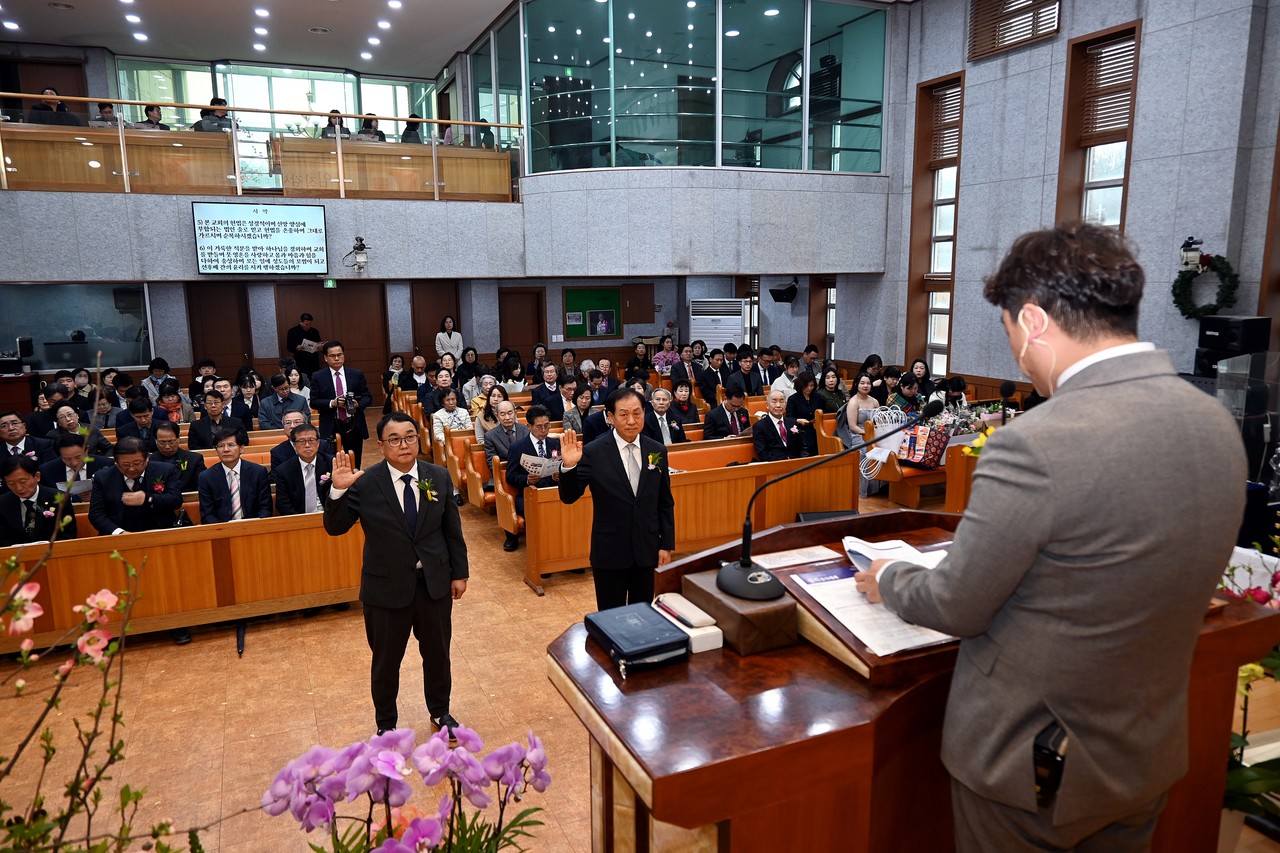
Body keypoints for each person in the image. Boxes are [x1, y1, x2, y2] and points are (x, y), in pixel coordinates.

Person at [852, 224, 1248, 853]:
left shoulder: (1036, 443)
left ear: (1034, 321)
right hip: (1140, 754)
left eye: (1009, 331)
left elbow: (956, 604)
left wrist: (891, 577)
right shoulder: (1215, 424)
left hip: (1035, 766)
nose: (1016, 355)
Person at [324, 412, 469, 739]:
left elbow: (452, 530)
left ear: (418, 439)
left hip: (433, 585)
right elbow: (335, 527)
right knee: (386, 662)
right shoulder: (365, 482)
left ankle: (440, 711)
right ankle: (386, 723)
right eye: (394, 439)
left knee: (438, 655)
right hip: (385, 589)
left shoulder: (438, 476)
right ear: (381, 445)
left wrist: (459, 573)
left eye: (409, 437)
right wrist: (338, 491)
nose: (403, 445)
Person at [558, 388, 674, 610]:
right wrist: (569, 466)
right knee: (610, 618)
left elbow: (664, 501)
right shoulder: (593, 452)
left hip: (647, 550)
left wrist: (666, 544)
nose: (631, 421)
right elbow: (569, 496)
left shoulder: (657, 450)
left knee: (643, 615)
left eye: (637, 413)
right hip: (609, 552)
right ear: (610, 417)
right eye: (623, 414)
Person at [311, 340, 373, 468]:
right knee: (331, 461)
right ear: (325, 358)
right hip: (331, 424)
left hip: (353, 423)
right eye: (333, 356)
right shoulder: (318, 376)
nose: (337, 358)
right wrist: (332, 403)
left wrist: (357, 404)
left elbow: (367, 397)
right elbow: (314, 402)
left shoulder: (356, 374)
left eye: (339, 355)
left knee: (354, 461)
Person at [0, 454, 77, 547]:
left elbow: (68, 535)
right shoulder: (2, 503)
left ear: (37, 476)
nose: (18, 488)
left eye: (23, 482)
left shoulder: (59, 498)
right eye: (11, 483)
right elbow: (2, 539)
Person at [505, 405, 560, 533]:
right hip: (528, 494)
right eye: (539, 426)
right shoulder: (517, 447)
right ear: (529, 426)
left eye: (547, 425)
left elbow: (559, 464)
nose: (544, 430)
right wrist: (527, 479)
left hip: (553, 491)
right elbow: (510, 476)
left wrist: (559, 475)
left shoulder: (555, 444)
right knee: (537, 515)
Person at [198, 429, 272, 523]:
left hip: (254, 526)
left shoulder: (258, 472)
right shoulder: (206, 477)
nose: (226, 449)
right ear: (216, 450)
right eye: (221, 446)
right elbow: (207, 514)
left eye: (231, 445)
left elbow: (265, 508)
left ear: (241, 448)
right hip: (222, 528)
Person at [272, 423, 332, 516]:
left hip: (330, 516)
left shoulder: (332, 463)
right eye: (301, 441)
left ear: (318, 443)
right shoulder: (284, 471)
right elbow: (283, 504)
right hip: (298, 517)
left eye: (311, 440)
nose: (307, 445)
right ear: (294, 445)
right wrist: (300, 521)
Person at [152, 421, 205, 492]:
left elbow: (203, 486)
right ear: (156, 441)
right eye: (162, 442)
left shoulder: (194, 459)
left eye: (171, 442)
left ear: (178, 439)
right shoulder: (149, 461)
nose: (167, 446)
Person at [754, 390, 804, 462]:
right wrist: (783, 462)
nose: (778, 405)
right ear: (767, 405)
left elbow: (802, 446)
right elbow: (762, 453)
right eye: (774, 401)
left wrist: (802, 460)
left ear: (785, 404)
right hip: (775, 464)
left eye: (781, 401)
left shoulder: (793, 423)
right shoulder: (760, 426)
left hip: (797, 463)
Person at [49, 403, 113, 459]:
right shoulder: (54, 435)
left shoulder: (91, 429)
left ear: (77, 415)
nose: (68, 419)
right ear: (58, 422)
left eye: (70, 414)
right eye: (62, 417)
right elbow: (54, 457)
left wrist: (103, 461)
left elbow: (109, 448)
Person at [784, 371, 819, 456]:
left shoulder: (818, 397)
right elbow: (788, 418)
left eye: (811, 386)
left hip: (816, 429)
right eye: (806, 386)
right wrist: (798, 420)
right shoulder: (793, 399)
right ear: (801, 385)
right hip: (799, 430)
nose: (809, 388)